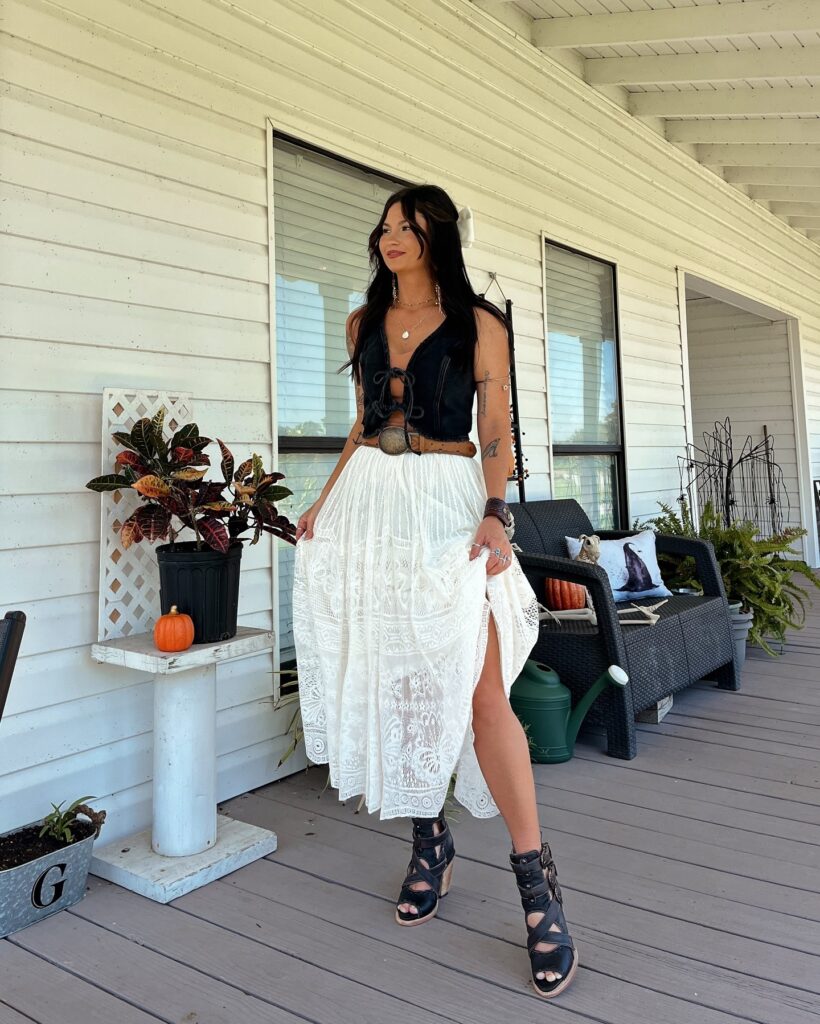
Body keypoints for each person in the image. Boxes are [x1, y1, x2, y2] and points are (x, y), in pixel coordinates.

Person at [291, 184, 578, 999]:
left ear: (437, 237)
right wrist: (322, 499)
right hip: (372, 507)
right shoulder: (361, 325)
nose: (392, 237)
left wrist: (496, 512)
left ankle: (536, 883)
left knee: (484, 693)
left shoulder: (481, 325)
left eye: (408, 227)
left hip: (449, 504)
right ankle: (431, 841)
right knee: (397, 677)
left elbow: (496, 433)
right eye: (384, 226)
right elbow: (361, 425)